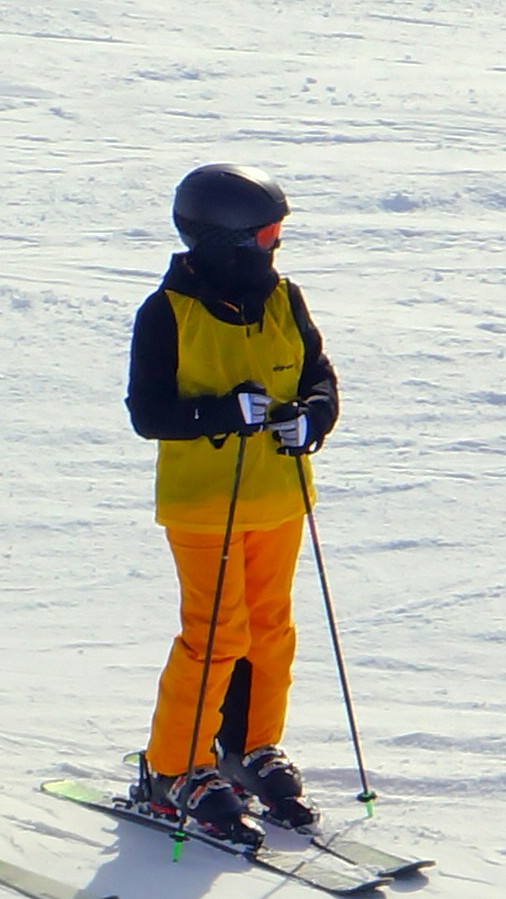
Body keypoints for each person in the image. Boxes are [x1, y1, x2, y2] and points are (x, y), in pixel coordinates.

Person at [114, 164, 340, 848]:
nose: (275, 245)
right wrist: (218, 412)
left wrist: (314, 418)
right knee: (215, 636)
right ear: (223, 240)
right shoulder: (166, 313)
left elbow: (319, 375)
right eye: (266, 233)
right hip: (205, 505)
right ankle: (172, 766)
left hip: (278, 497)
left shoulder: (284, 298)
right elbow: (147, 413)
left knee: (271, 629)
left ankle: (249, 747)